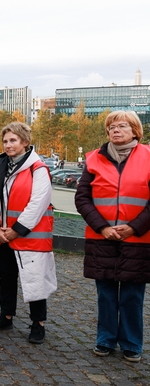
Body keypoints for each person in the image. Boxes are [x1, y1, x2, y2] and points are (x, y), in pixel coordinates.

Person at [75, 110, 150, 363]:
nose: (115, 130)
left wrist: (133, 228)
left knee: (132, 294)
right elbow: (82, 198)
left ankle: (131, 343)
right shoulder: (94, 159)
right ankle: (105, 339)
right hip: (101, 238)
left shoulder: (149, 157)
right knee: (105, 292)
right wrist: (102, 227)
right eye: (111, 127)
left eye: (122, 126)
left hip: (139, 239)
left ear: (135, 131)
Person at [0, 122, 57, 344]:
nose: (8, 145)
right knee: (7, 277)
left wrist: (16, 231)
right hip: (2, 235)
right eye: (5, 141)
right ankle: (6, 316)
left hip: (29, 237)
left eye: (13, 140)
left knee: (35, 281)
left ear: (25, 142)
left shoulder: (38, 169)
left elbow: (38, 203)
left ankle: (38, 323)